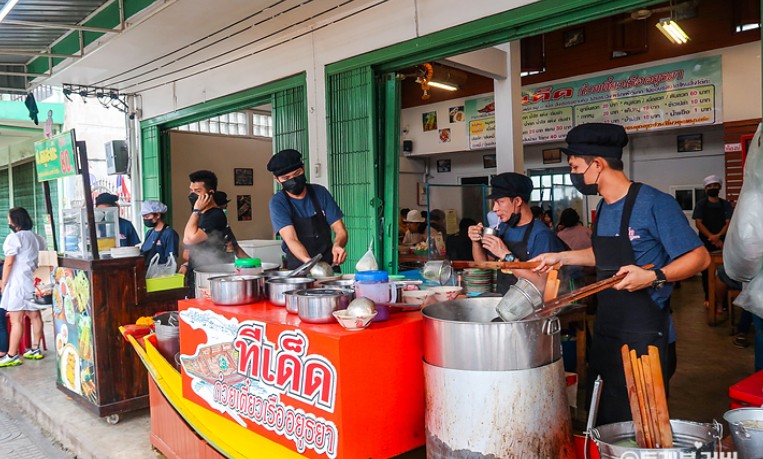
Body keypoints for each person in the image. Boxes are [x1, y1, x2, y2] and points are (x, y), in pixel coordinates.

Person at [532, 123, 710, 426]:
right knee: (605, 419)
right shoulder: (603, 207)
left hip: (645, 335)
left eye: (575, 167)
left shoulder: (655, 203)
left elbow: (700, 258)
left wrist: (653, 276)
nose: (574, 175)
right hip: (608, 329)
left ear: (597, 164)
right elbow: (604, 256)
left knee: (642, 424)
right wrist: (560, 256)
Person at [467, 172, 566, 294]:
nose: (494, 208)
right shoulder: (504, 228)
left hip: (531, 308)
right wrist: (476, 242)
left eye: (500, 202)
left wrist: (506, 255)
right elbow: (483, 265)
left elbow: (541, 284)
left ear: (517, 201)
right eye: (494, 203)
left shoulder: (541, 235)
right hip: (504, 302)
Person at [267, 149, 348, 270]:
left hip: (328, 266)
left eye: (297, 173)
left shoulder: (320, 193)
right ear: (277, 180)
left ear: (303, 168)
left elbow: (340, 230)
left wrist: (337, 245)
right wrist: (310, 263)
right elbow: (291, 239)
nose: (293, 180)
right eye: (286, 178)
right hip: (300, 270)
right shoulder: (278, 202)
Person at [0, 208, 47, 366]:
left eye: (9, 220)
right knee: (35, 316)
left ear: (15, 222)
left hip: (18, 283)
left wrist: (4, 282)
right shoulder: (38, 238)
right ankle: (35, 349)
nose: (8, 223)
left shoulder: (14, 238)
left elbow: (9, 262)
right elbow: (44, 262)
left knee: (16, 320)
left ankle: (12, 355)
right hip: (33, 282)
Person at [181, 170, 233, 289]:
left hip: (209, 274)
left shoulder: (216, 216)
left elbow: (189, 239)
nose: (192, 194)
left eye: (197, 191)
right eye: (191, 190)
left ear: (210, 193)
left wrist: (196, 211)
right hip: (195, 271)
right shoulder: (200, 214)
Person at [692, 174, 733, 311]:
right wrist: (712, 237)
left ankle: (724, 302)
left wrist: (719, 236)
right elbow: (698, 223)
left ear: (720, 187)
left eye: (715, 185)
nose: (713, 188)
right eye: (710, 186)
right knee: (706, 272)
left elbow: (728, 222)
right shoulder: (701, 204)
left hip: (723, 243)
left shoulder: (725, 204)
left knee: (725, 271)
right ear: (705, 189)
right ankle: (708, 298)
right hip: (706, 243)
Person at [139, 200, 179, 266]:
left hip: (161, 274)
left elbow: (171, 260)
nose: (145, 219)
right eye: (143, 216)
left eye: (147, 216)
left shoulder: (169, 233)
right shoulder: (149, 233)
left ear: (158, 215)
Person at [213, 191, 248, 259]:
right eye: (222, 208)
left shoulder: (225, 227)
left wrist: (253, 264)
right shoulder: (204, 225)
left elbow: (237, 249)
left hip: (227, 266)